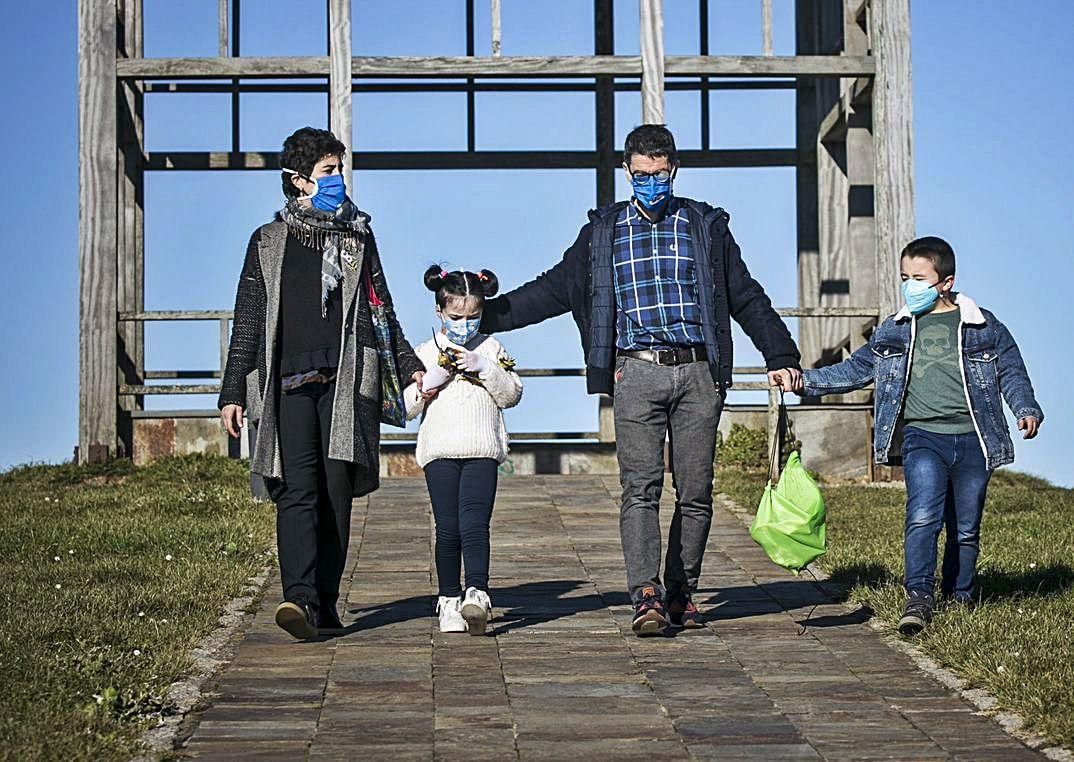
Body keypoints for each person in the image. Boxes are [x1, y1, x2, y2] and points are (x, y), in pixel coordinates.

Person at [482, 123, 802, 635]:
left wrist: (780, 353)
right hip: (636, 372)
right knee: (641, 489)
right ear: (626, 171)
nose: (649, 184)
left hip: (698, 372)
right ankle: (646, 594)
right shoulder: (603, 233)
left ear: (673, 169)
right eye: (639, 175)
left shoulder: (705, 226)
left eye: (658, 174)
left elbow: (744, 295)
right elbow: (551, 290)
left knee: (696, 490)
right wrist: (487, 314)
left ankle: (681, 592)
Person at [218, 126, 425, 641]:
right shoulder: (267, 241)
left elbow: (381, 308)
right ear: (298, 181)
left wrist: (407, 363)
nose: (338, 179)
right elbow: (249, 318)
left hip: (344, 381)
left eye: (339, 169)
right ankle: (300, 600)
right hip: (285, 383)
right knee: (296, 489)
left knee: (335, 493)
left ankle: (326, 602)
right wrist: (230, 393)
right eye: (328, 171)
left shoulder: (358, 238)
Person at [798, 235, 1043, 635]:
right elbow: (853, 371)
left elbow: (1011, 371)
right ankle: (918, 597)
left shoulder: (983, 325)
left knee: (965, 527)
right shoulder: (894, 330)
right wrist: (802, 381)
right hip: (922, 436)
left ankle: (960, 595)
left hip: (973, 439)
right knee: (923, 515)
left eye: (919, 278)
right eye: (904, 277)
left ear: (946, 282)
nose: (910, 286)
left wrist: (1025, 409)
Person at [405, 266, 523, 635]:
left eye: (473, 317)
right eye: (456, 317)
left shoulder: (491, 348)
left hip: (481, 449)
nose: (464, 325)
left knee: (475, 523)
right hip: (440, 450)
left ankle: (477, 592)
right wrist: (427, 387)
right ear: (440, 312)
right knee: (448, 527)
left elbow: (511, 394)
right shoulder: (423, 352)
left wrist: (485, 368)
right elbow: (403, 407)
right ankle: (448, 598)